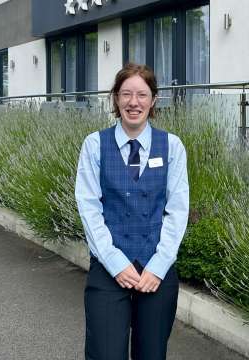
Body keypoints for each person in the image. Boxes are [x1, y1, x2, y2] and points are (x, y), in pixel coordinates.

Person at [75, 63, 189, 360]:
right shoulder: (94, 145)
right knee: (105, 353)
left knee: (151, 355)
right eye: (126, 94)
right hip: (108, 269)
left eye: (141, 94)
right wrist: (115, 262)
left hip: (157, 271)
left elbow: (177, 211)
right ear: (115, 99)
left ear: (153, 100)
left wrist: (158, 265)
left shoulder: (173, 146)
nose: (133, 102)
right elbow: (89, 208)